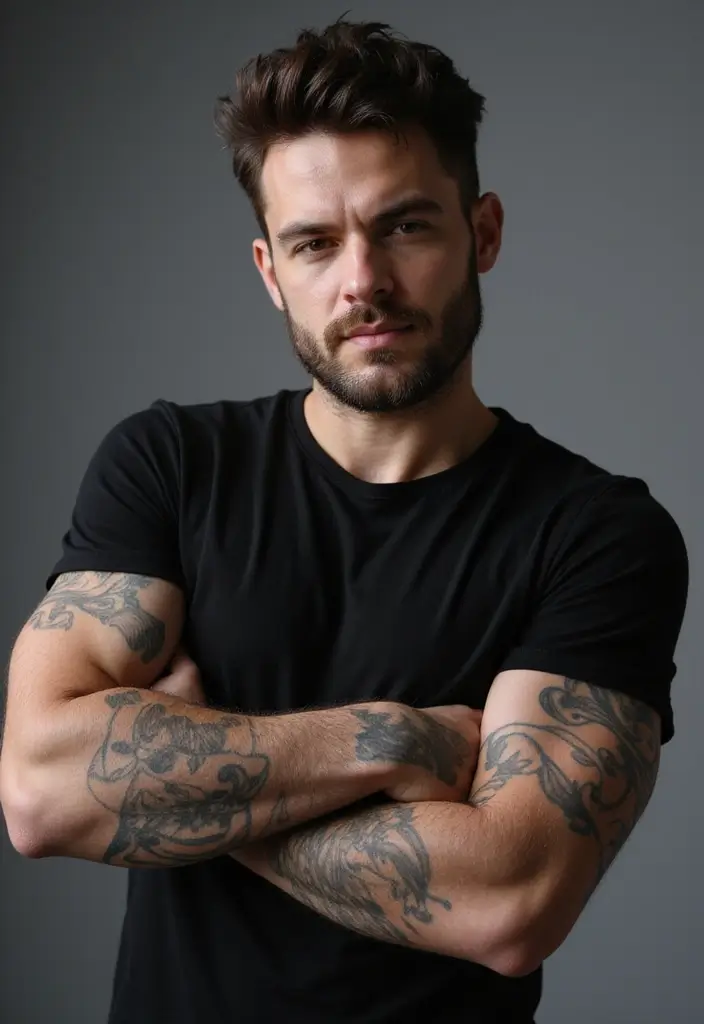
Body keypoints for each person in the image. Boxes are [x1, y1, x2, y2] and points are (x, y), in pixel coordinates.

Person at [0, 18, 689, 1024]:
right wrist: (395, 740)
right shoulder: (171, 466)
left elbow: (510, 902)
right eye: (314, 243)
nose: (362, 281)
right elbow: (40, 793)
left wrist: (182, 776)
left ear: (482, 233)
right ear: (269, 270)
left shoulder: (596, 535)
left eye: (404, 226)